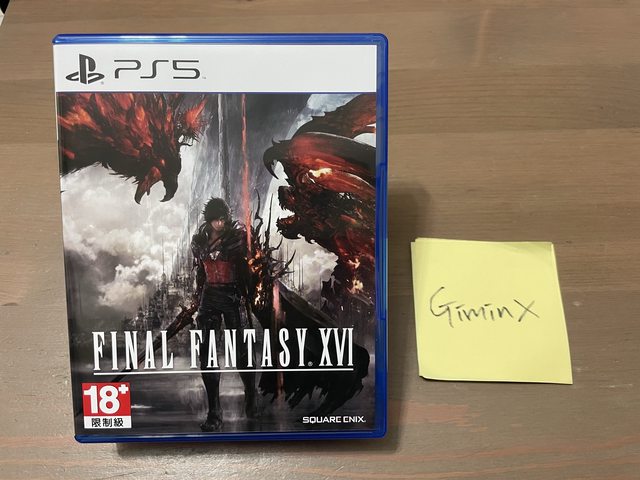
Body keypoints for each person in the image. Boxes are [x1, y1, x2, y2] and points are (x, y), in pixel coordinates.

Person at [191, 197, 257, 432]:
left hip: (233, 296)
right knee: (207, 354)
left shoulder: (236, 238)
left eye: (222, 219)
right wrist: (197, 299)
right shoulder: (199, 240)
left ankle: (251, 394)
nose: (219, 223)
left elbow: (246, 266)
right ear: (209, 220)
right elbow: (200, 271)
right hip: (209, 296)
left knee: (241, 351)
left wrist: (247, 294)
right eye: (215, 220)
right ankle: (214, 413)